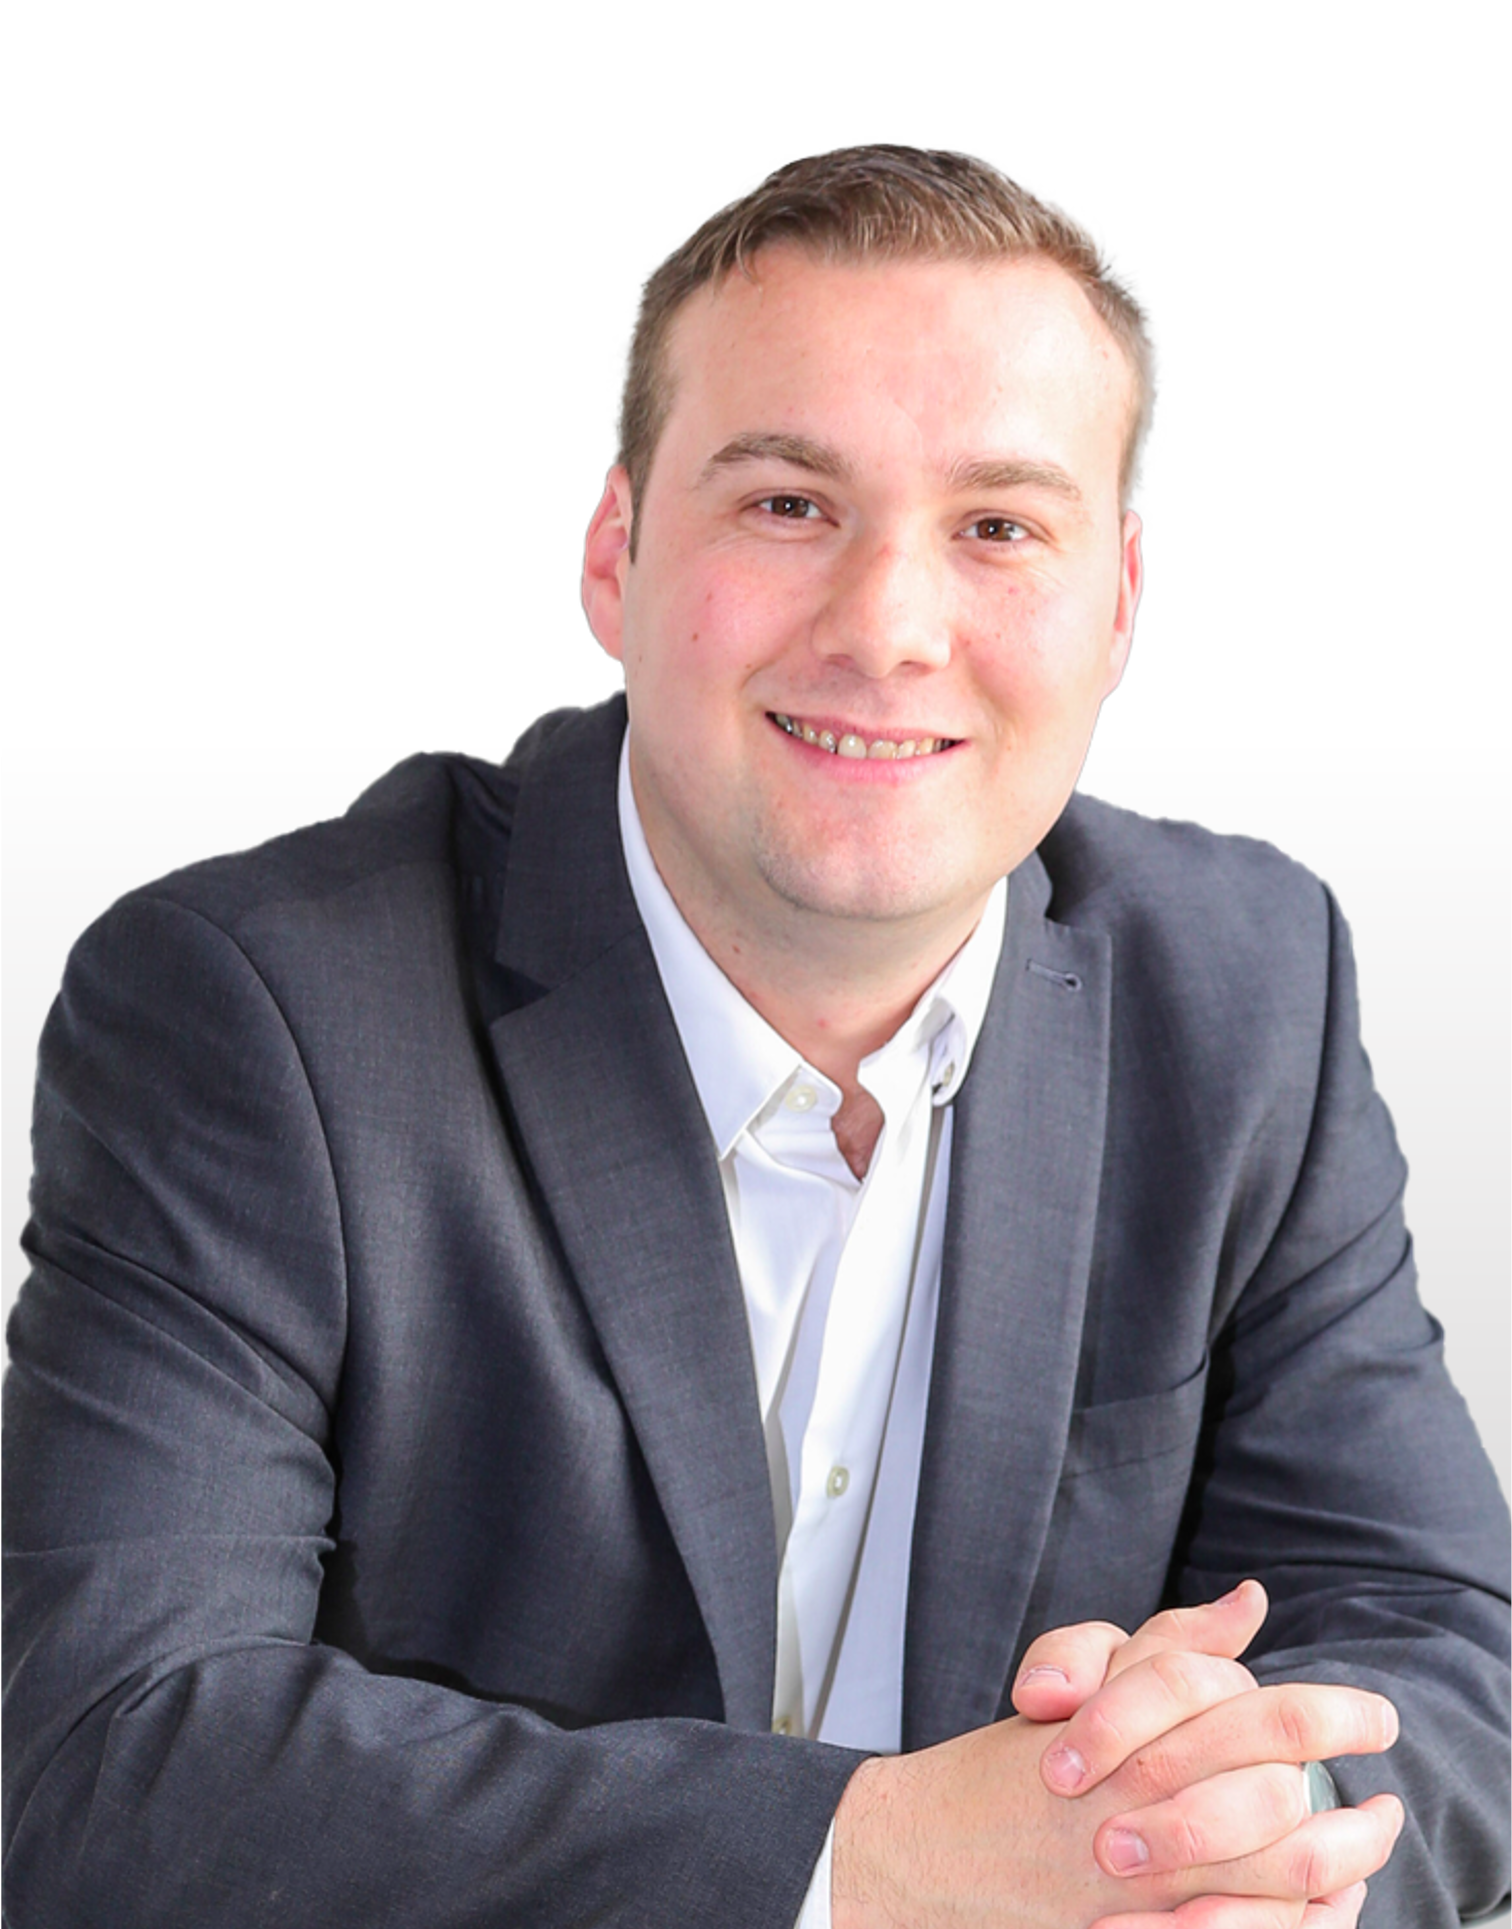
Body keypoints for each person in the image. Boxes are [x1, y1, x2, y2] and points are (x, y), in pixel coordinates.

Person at [2, 145, 1507, 1929]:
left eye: (999, 527)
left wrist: (1243, 1828)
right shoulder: (256, 1011)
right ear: (617, 552)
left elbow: (1453, 1656)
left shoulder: (1248, 988)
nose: (889, 627)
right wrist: (874, 1853)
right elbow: (104, 1752)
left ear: (1118, 604)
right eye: (790, 503)